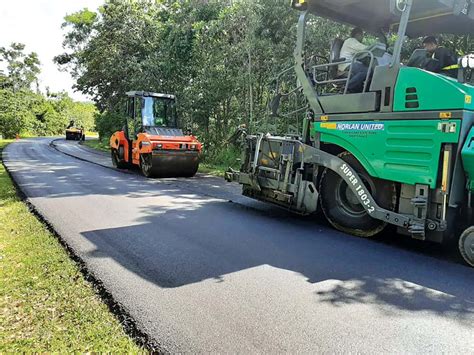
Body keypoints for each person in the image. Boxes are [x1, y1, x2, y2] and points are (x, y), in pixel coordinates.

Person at [339, 28, 370, 93]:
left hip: (350, 63)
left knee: (365, 70)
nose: (362, 38)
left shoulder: (351, 42)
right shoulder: (351, 40)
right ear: (358, 35)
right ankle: (347, 87)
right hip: (347, 64)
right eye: (362, 36)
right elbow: (365, 48)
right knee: (367, 70)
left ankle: (362, 91)